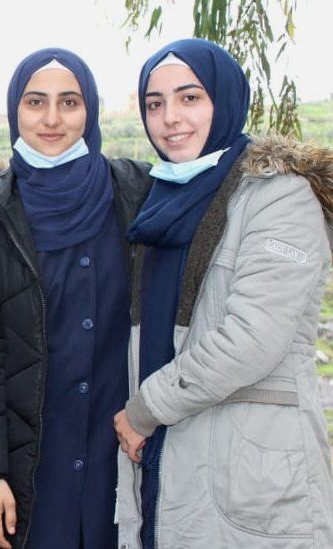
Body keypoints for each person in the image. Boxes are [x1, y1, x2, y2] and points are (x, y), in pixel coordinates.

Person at [113, 38, 333, 548]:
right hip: (167, 452)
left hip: (247, 473)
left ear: (225, 99)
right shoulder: (164, 200)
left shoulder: (278, 196)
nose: (170, 117)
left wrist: (144, 409)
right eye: (155, 103)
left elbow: (250, 340)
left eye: (190, 98)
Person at [0, 49, 151, 549]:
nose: (51, 119)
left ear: (91, 110)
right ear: (14, 110)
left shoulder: (135, 191)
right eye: (35, 101)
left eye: (69, 102)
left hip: (119, 457)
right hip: (28, 467)